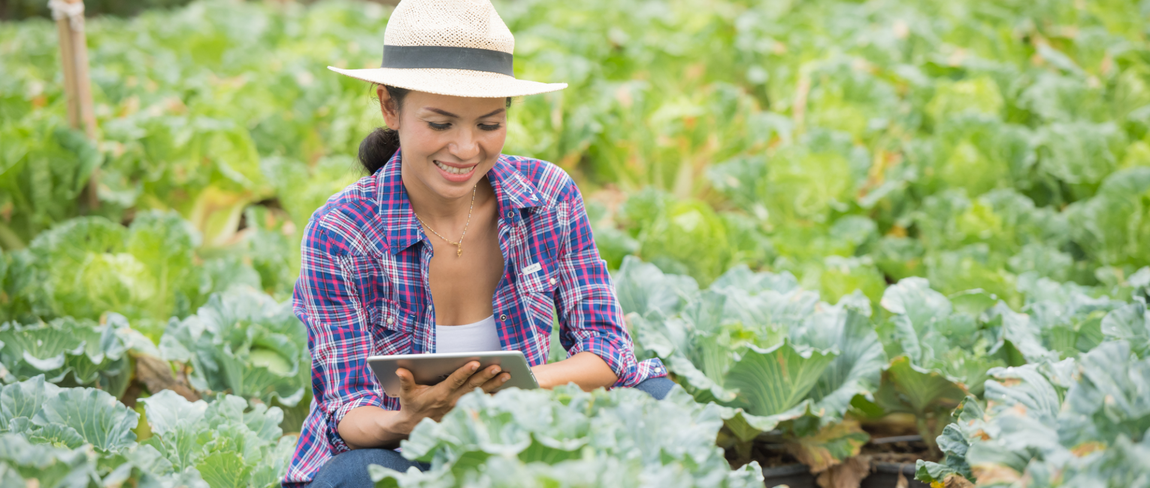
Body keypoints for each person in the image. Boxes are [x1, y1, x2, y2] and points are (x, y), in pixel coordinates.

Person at [280, 0, 672, 486]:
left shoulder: (547, 196)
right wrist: (410, 419)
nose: (467, 149)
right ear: (389, 107)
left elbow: (608, 347)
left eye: (489, 124)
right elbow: (347, 409)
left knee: (660, 404)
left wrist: (506, 391)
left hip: (524, 429)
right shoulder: (340, 232)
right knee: (352, 476)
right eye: (440, 124)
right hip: (407, 449)